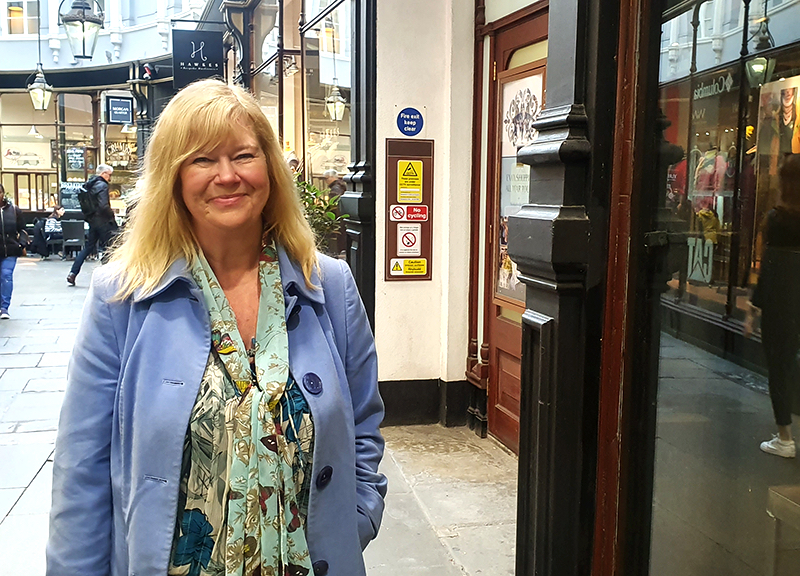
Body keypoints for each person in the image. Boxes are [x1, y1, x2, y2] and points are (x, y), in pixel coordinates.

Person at [47, 79, 387, 576]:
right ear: (173, 177)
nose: (227, 176)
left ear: (270, 167)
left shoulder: (327, 285)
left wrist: (355, 517)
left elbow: (363, 426)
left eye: (244, 155)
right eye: (202, 159)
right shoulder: (121, 297)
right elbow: (81, 471)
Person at [744, 154, 800, 458]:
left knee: (779, 367)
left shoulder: (775, 219)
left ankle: (785, 437)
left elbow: (766, 267)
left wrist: (752, 310)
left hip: (781, 304)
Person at [66, 164, 118, 285]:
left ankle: (73, 273)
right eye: (109, 175)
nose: (109, 178)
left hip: (92, 221)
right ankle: (107, 277)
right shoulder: (102, 185)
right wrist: (111, 214)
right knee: (109, 247)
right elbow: (103, 205)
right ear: (103, 173)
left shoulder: (89, 185)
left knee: (88, 247)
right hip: (104, 221)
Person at [0, 183, 26, 319]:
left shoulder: (14, 210)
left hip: (10, 249)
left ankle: (4, 307)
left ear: (3, 193)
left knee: (6, 275)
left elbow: (22, 228)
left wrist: (21, 244)